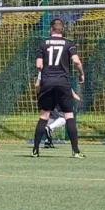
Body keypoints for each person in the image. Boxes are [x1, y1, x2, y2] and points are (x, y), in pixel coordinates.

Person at [32, 19, 85, 158]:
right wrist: (81, 74)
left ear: (51, 29)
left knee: (44, 115)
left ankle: (36, 150)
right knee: (68, 115)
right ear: (62, 30)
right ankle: (76, 151)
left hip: (47, 82)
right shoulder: (68, 44)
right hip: (63, 83)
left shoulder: (43, 43)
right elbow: (76, 61)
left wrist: (46, 72)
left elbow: (38, 65)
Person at [34, 72, 81, 148]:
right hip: (59, 95)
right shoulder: (60, 66)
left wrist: (39, 95)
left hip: (46, 95)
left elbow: (37, 85)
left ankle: (47, 140)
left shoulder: (43, 68)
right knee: (65, 117)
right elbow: (64, 84)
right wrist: (73, 94)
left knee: (50, 117)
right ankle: (50, 128)